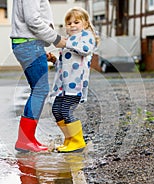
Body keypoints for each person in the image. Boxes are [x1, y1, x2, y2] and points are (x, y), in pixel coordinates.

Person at [10, 0, 67, 152]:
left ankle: (27, 138)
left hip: (30, 44)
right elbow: (32, 20)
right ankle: (25, 139)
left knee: (38, 90)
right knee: (40, 90)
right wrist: (56, 39)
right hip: (30, 44)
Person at [48, 7, 99, 153]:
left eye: (76, 22)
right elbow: (64, 65)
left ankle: (78, 141)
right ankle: (69, 139)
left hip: (75, 84)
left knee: (66, 110)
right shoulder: (69, 40)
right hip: (62, 85)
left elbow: (85, 49)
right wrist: (55, 60)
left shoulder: (86, 36)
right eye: (69, 23)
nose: (72, 25)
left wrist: (65, 44)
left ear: (85, 24)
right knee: (57, 110)